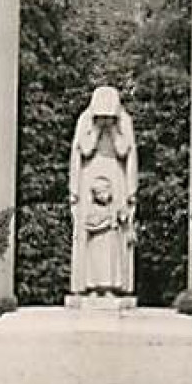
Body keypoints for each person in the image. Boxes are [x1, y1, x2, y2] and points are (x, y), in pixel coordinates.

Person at [69, 86, 138, 297]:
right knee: (89, 230)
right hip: (90, 174)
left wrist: (114, 129)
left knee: (113, 232)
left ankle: (113, 285)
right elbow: (84, 149)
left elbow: (125, 150)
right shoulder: (85, 119)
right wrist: (97, 128)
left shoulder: (124, 120)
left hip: (116, 176)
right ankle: (88, 284)